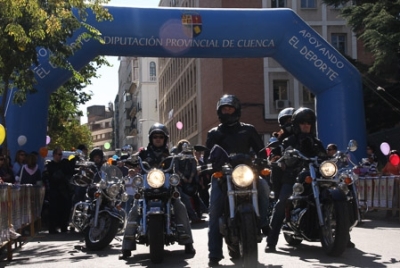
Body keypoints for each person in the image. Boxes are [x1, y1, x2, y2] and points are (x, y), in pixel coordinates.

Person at [204, 94, 270, 267]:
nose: (227, 112)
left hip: (247, 173)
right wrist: (211, 165)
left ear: (237, 110)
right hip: (224, 176)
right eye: (224, 109)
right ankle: (214, 253)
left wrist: (262, 160)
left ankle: (263, 221)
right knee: (215, 209)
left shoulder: (248, 130)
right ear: (220, 111)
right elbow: (207, 157)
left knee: (263, 187)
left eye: (230, 108)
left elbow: (261, 151)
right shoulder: (215, 133)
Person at [120, 123, 196, 259]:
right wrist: (128, 160)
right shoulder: (143, 153)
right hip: (147, 187)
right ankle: (127, 246)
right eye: (155, 136)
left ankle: (188, 242)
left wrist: (185, 156)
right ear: (151, 138)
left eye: (161, 136)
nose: (158, 139)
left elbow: (181, 158)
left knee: (180, 206)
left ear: (165, 139)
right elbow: (133, 159)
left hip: (167, 187)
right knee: (135, 209)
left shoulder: (171, 154)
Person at [265, 107, 327, 252]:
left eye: (308, 123)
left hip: (314, 178)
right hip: (293, 179)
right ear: (297, 125)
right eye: (302, 123)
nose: (306, 125)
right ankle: (271, 241)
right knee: (281, 203)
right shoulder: (288, 141)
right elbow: (282, 157)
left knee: (337, 191)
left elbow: (324, 157)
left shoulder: (316, 142)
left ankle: (344, 236)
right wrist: (286, 159)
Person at [42, 147, 75, 234]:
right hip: (54, 191)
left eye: (61, 154)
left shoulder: (64, 164)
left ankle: (63, 226)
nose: (60, 156)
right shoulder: (50, 165)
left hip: (64, 191)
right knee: (53, 210)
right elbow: (47, 178)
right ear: (54, 155)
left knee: (65, 209)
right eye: (59, 154)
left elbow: (71, 168)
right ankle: (53, 228)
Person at [175, 139, 207, 223]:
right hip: (180, 183)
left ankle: (199, 213)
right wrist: (184, 178)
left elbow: (193, 168)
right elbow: (176, 169)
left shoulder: (191, 157)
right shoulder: (177, 157)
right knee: (184, 198)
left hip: (191, 182)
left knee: (195, 195)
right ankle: (193, 216)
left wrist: (190, 178)